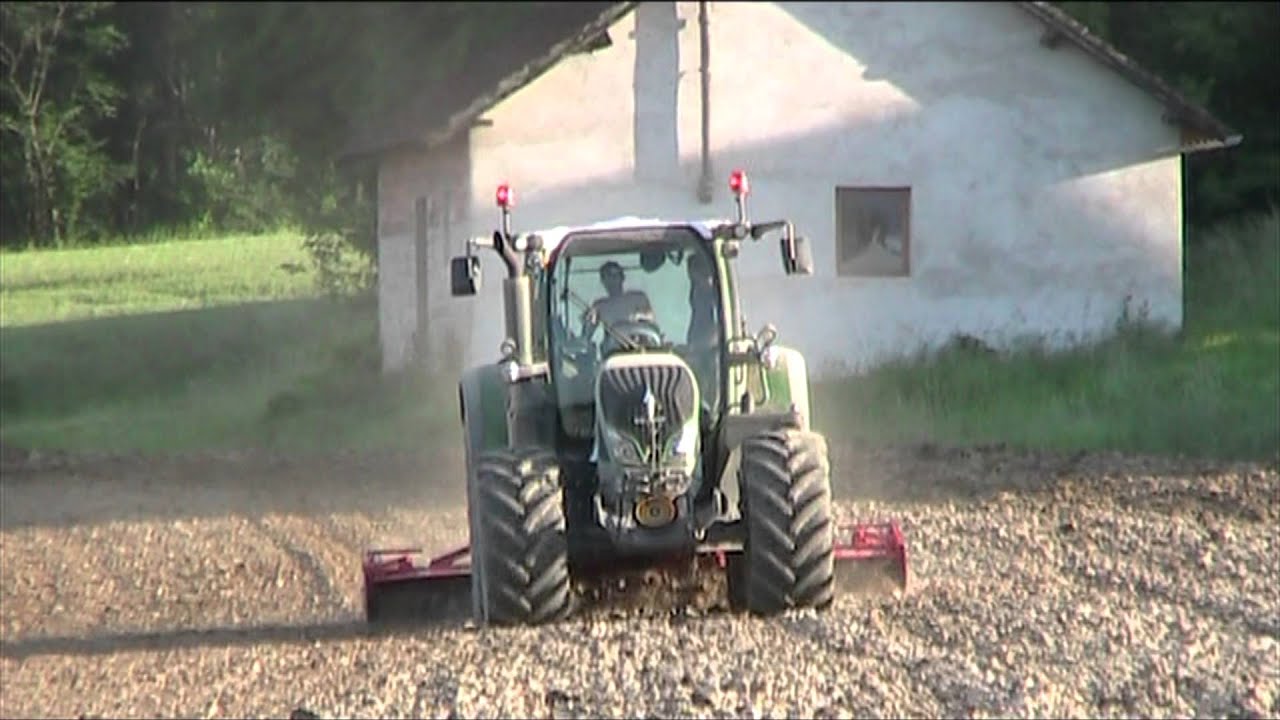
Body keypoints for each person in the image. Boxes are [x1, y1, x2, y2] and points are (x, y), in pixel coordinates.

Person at [581, 260, 655, 341]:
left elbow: (650, 321)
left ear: (623, 277)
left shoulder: (638, 298)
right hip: (613, 350)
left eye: (616, 275)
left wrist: (637, 317)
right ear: (602, 280)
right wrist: (586, 322)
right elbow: (587, 335)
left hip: (640, 348)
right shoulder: (599, 306)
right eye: (608, 275)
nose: (613, 279)